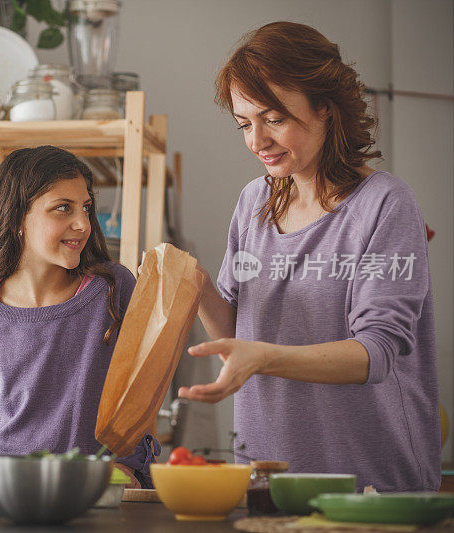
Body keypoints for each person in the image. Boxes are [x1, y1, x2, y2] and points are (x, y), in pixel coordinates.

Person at [180, 21, 440, 492]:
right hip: (265, 476)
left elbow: (375, 354)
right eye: (244, 124)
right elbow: (239, 334)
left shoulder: (385, 205)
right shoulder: (252, 203)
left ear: (326, 109)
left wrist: (263, 358)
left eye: (273, 119)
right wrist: (194, 284)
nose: (256, 142)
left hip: (368, 482)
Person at [0, 145, 159, 489]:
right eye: (62, 209)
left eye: (86, 208)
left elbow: (141, 395)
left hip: (91, 496)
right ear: (16, 219)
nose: (82, 224)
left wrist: (127, 465)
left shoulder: (113, 291)